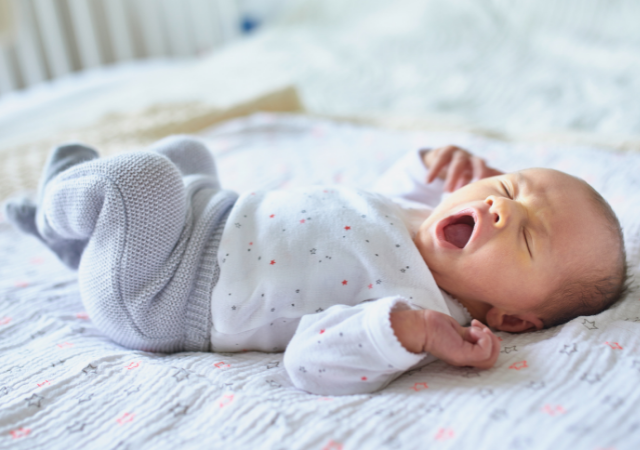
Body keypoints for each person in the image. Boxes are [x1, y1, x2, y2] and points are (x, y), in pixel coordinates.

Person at [3, 136, 628, 396]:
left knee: (140, 180)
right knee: (188, 153)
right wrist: (427, 166)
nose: (499, 210)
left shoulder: (420, 306)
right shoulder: (418, 218)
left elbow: (310, 363)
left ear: (511, 318)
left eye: (526, 238)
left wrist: (408, 333)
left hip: (161, 291)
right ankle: (79, 243)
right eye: (511, 188)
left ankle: (60, 211)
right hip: (206, 217)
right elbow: (363, 205)